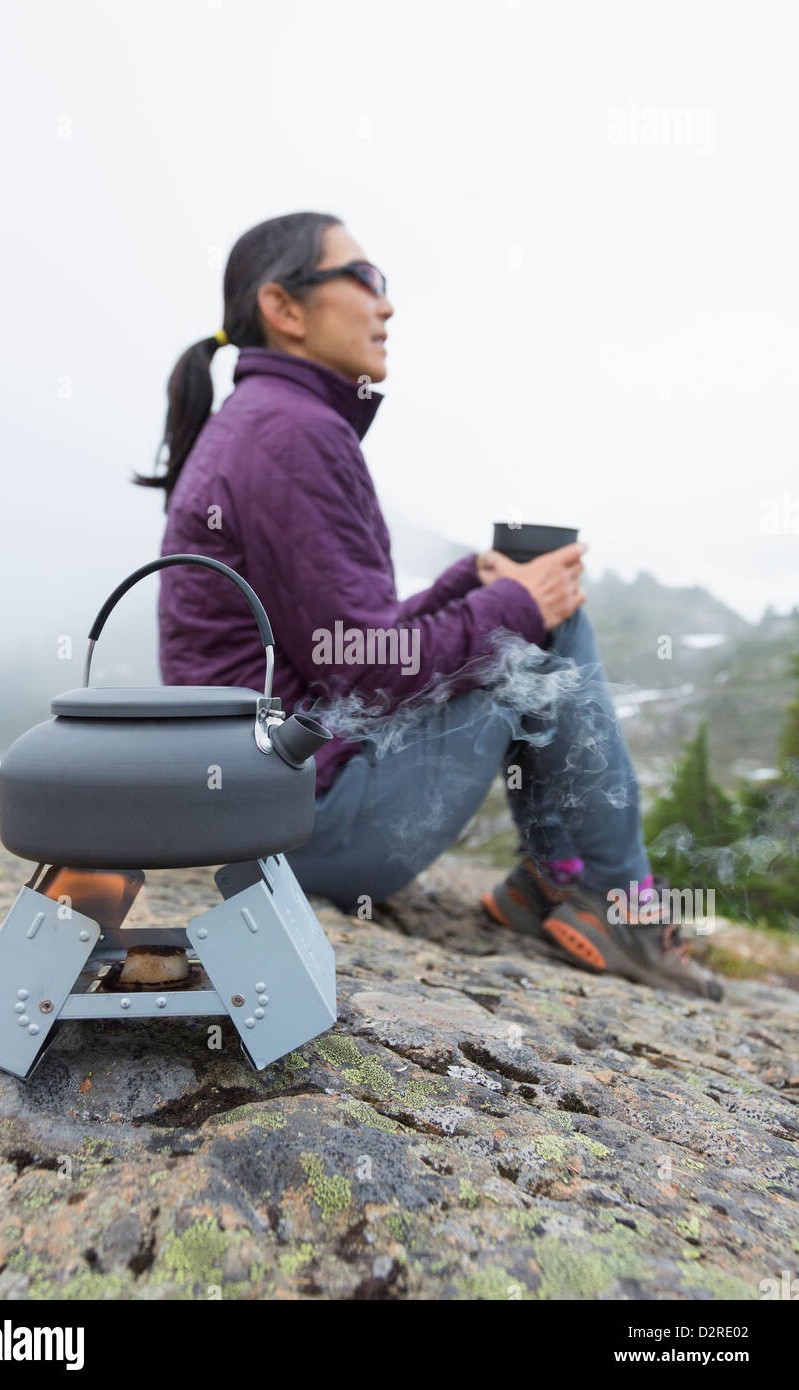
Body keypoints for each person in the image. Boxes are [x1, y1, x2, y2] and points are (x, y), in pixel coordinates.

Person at [136, 211, 721, 1001]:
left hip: (269, 801)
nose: (387, 306)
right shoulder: (291, 434)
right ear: (285, 308)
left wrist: (466, 585)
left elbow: (337, 641)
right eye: (366, 280)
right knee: (546, 624)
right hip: (309, 819)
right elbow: (365, 670)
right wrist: (516, 602)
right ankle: (619, 904)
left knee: (520, 612)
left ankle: (551, 883)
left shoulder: (267, 424)